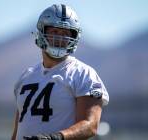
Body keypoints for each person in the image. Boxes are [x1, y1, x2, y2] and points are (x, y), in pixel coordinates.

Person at [11, 4, 109, 140]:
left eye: (65, 34)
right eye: (55, 32)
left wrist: (55, 138)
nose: (59, 39)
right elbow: (19, 129)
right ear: (42, 32)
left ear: (74, 37)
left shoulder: (84, 74)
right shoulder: (26, 76)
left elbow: (90, 125)